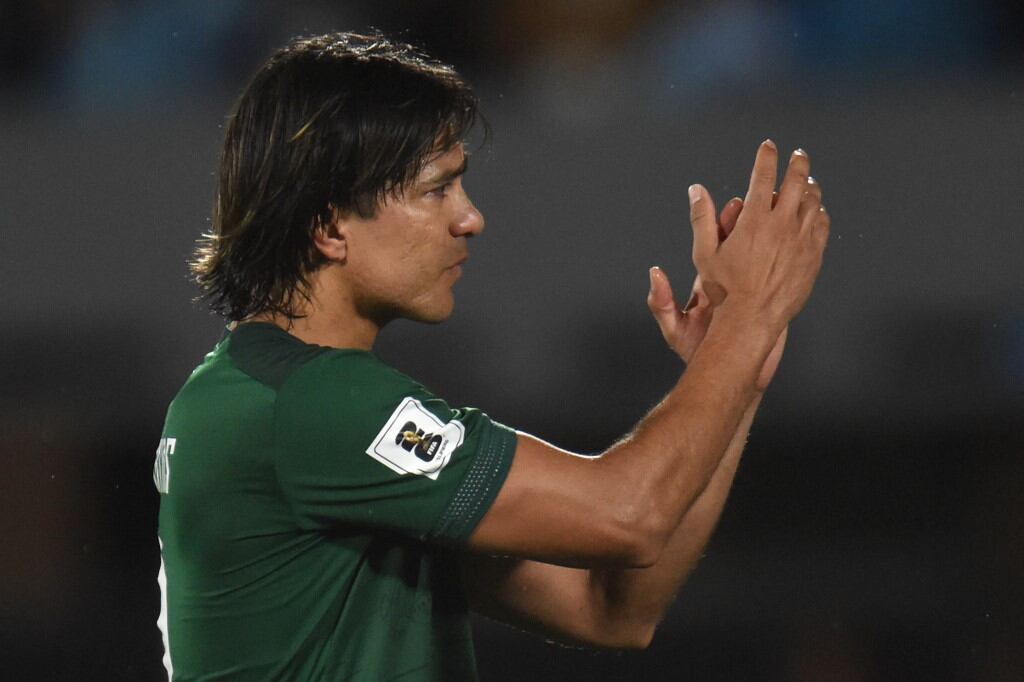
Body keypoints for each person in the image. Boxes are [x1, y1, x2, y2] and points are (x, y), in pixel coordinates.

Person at [154, 31, 829, 681]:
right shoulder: (313, 404)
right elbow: (628, 514)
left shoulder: (252, 397)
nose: (469, 217)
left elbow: (612, 609)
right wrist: (751, 314)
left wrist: (736, 368)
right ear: (329, 226)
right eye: (435, 188)